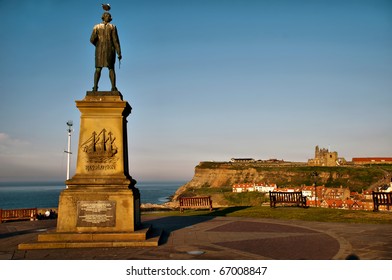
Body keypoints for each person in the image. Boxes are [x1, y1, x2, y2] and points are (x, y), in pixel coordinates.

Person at [90, 12, 122, 91]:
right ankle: (95, 87)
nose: (108, 17)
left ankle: (113, 87)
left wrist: (119, 52)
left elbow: (115, 40)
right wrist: (98, 46)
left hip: (109, 51)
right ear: (103, 17)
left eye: (109, 16)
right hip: (101, 51)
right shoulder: (97, 27)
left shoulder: (112, 27)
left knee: (111, 68)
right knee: (98, 69)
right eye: (106, 15)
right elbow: (92, 39)